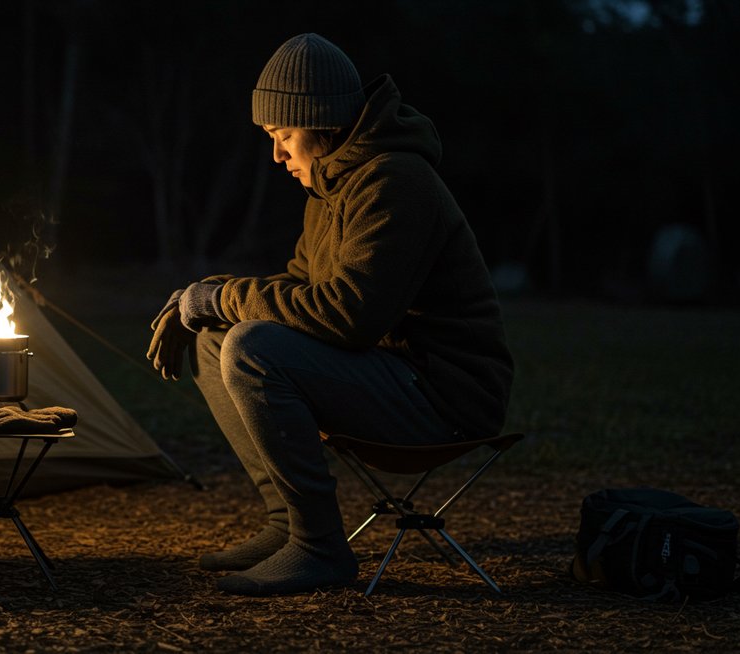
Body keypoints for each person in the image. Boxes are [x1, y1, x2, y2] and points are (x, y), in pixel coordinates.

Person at [145, 33, 515, 596]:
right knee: (213, 337)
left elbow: (347, 316)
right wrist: (209, 296)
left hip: (444, 397)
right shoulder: (332, 186)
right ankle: (287, 525)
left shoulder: (396, 182)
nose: (277, 155)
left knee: (251, 345)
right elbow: (299, 284)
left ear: (321, 121)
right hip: (391, 376)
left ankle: (320, 550)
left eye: (283, 136)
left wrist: (219, 297)